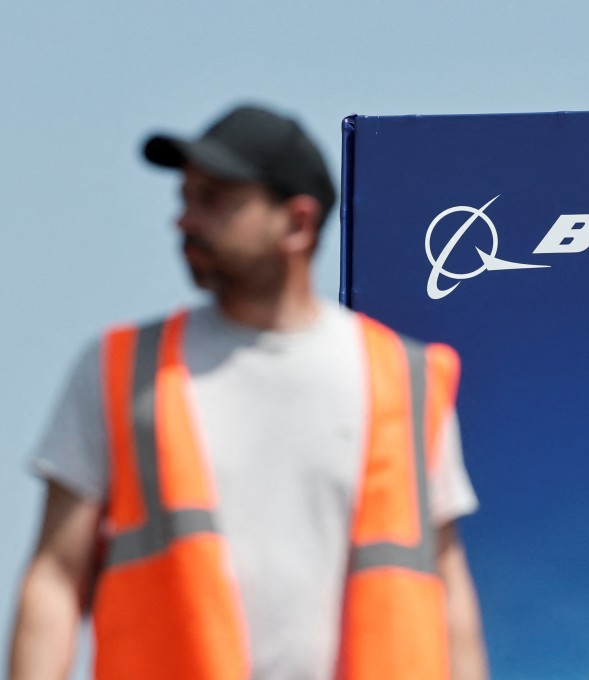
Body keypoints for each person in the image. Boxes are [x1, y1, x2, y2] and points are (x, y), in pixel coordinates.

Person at [9, 104, 489, 680]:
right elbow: (56, 576)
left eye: (214, 200)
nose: (184, 220)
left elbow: (445, 580)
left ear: (297, 224)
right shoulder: (121, 369)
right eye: (185, 197)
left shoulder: (404, 378)